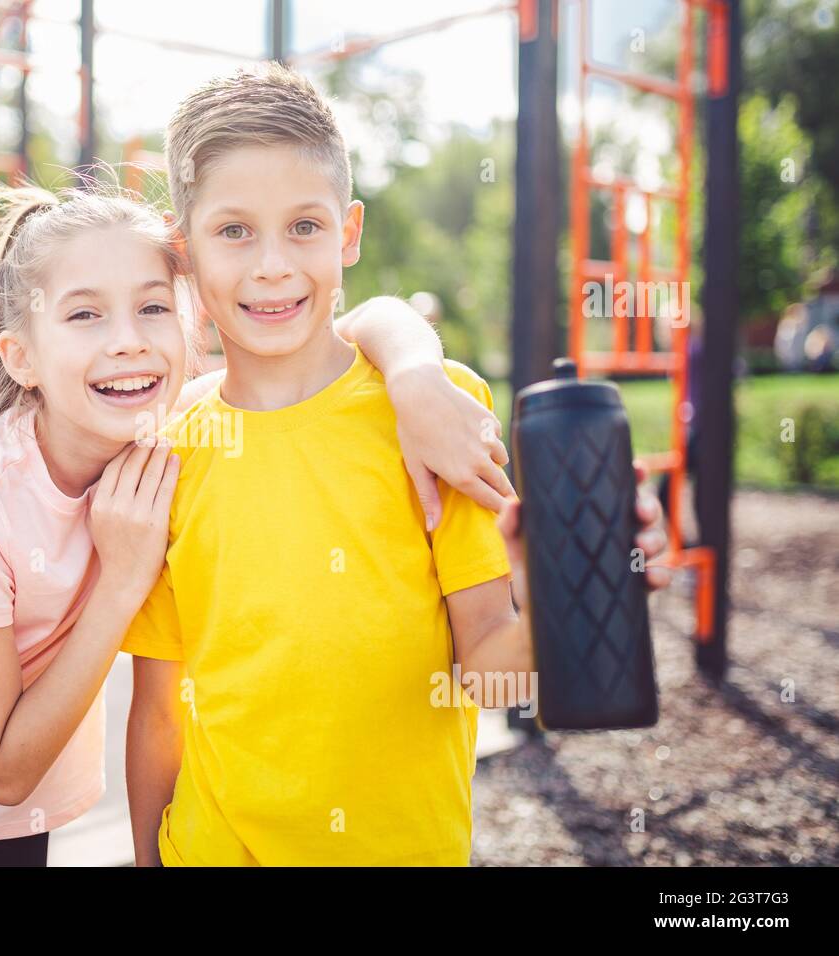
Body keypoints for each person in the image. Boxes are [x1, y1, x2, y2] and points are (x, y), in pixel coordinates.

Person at [0, 184, 497, 866]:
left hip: (16, 824)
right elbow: (4, 768)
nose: (129, 341)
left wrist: (412, 370)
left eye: (153, 308)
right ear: (21, 358)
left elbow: (358, 322)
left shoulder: (178, 433)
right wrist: (121, 582)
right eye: (85, 314)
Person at [122, 64, 672, 866]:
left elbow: (493, 673)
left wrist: (564, 591)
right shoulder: (168, 449)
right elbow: (160, 710)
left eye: (304, 226)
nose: (272, 264)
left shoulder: (438, 413)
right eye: (234, 231)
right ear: (185, 249)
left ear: (348, 231)